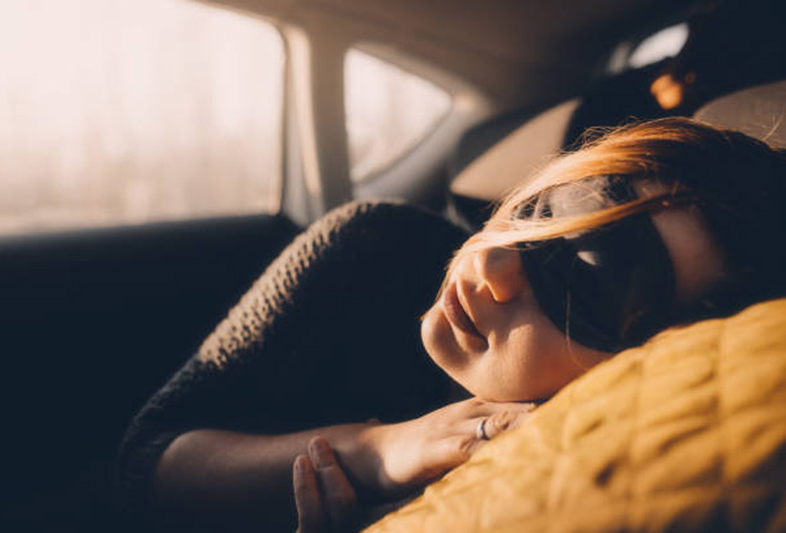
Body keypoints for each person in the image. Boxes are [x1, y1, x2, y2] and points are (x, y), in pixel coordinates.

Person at [117, 117, 786, 532]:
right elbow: (146, 464)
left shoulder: (586, 462)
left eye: (590, 278)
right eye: (542, 209)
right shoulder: (372, 244)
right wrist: (376, 454)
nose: (491, 260)